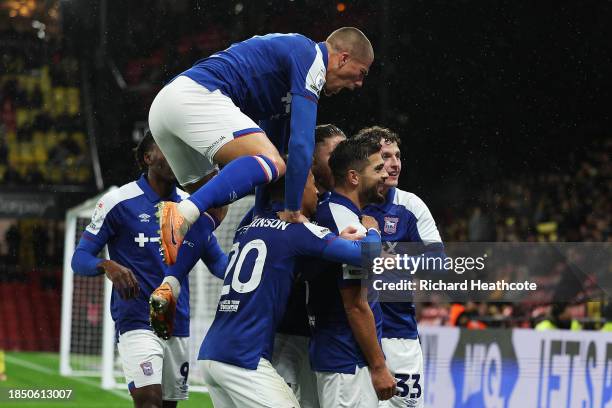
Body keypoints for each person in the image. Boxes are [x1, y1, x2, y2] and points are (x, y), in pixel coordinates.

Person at [148, 27, 374, 270]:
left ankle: (170, 284)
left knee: (215, 208)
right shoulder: (310, 57)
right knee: (273, 162)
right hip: (196, 96)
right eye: (361, 73)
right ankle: (182, 212)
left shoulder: (285, 87)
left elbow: (270, 162)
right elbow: (300, 143)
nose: (359, 83)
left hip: (164, 109)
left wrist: (260, 216)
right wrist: (293, 210)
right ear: (343, 58)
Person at [197, 169, 382, 407]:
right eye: (312, 183)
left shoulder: (248, 226)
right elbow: (368, 255)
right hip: (244, 357)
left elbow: (286, 265)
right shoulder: (297, 229)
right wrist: (372, 228)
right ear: (296, 188)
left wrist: (335, 243)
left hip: (211, 353)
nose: (316, 191)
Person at [71, 132, 227, 408]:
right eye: (168, 150)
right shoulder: (117, 202)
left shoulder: (190, 208)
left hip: (175, 321)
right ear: (148, 158)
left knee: (167, 405)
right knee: (149, 402)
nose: (177, 157)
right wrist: (106, 264)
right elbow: (80, 257)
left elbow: (217, 263)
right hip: (136, 319)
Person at [357, 126, 444, 408]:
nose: (394, 164)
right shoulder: (347, 204)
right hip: (351, 332)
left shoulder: (411, 206)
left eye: (398, 155)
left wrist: (398, 260)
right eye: (385, 156)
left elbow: (438, 263)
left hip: (399, 336)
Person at [308, 137, 396, 407]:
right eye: (377, 168)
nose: (385, 175)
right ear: (354, 177)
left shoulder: (334, 211)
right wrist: (379, 366)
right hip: (347, 361)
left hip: (341, 357)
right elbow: (355, 305)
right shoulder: (347, 222)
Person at [271, 124, 347, 408]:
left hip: (325, 340)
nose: (345, 160)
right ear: (310, 159)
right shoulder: (280, 210)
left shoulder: (345, 207)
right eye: (336, 153)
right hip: (285, 331)